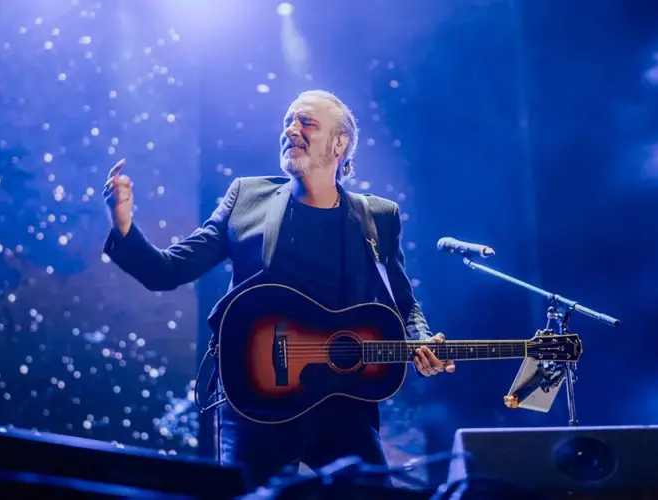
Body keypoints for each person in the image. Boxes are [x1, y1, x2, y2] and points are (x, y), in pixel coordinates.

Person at [102, 89, 456, 489]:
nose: (291, 129)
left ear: (340, 143)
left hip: (343, 400)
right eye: (288, 121)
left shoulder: (377, 217)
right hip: (256, 397)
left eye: (306, 122)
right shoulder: (245, 198)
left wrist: (422, 340)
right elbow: (168, 271)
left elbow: (403, 303)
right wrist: (124, 228)